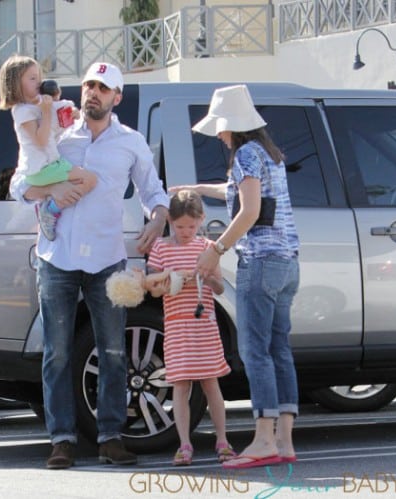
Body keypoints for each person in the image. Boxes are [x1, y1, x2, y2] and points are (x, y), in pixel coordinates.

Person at [10, 61, 169, 469]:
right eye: (88, 85)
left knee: (115, 351)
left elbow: (153, 189)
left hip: (107, 259)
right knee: (57, 353)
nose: (92, 92)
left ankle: (110, 437)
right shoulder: (56, 133)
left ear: (117, 97)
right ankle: (62, 439)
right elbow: (19, 184)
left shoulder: (131, 141)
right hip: (56, 258)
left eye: (102, 87)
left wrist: (158, 218)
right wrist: (54, 186)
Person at [170, 84, 300, 470]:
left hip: (259, 261)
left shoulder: (244, 154)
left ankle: (262, 440)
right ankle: (284, 439)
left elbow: (248, 210)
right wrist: (196, 188)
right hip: (288, 262)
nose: (220, 136)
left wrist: (216, 249)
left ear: (232, 127)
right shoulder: (269, 154)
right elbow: (236, 191)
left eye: (221, 129)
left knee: (255, 352)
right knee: (279, 350)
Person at [144, 189, 236, 466]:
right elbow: (153, 288)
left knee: (211, 383)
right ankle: (184, 443)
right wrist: (171, 278)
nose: (185, 232)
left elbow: (220, 288)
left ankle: (222, 439)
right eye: (180, 226)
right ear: (170, 221)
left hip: (203, 325)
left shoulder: (207, 248)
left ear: (201, 221)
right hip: (176, 326)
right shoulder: (161, 248)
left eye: (191, 227)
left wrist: (207, 279)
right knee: (180, 386)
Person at [0, 55, 97, 241]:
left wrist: (71, 115)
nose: (38, 83)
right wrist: (45, 111)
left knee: (82, 182)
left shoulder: (37, 107)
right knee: (89, 180)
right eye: (32, 78)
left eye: (39, 77)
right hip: (42, 168)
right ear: (15, 84)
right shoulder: (22, 111)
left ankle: (53, 203)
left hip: (51, 164)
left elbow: (56, 129)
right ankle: (50, 210)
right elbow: (41, 140)